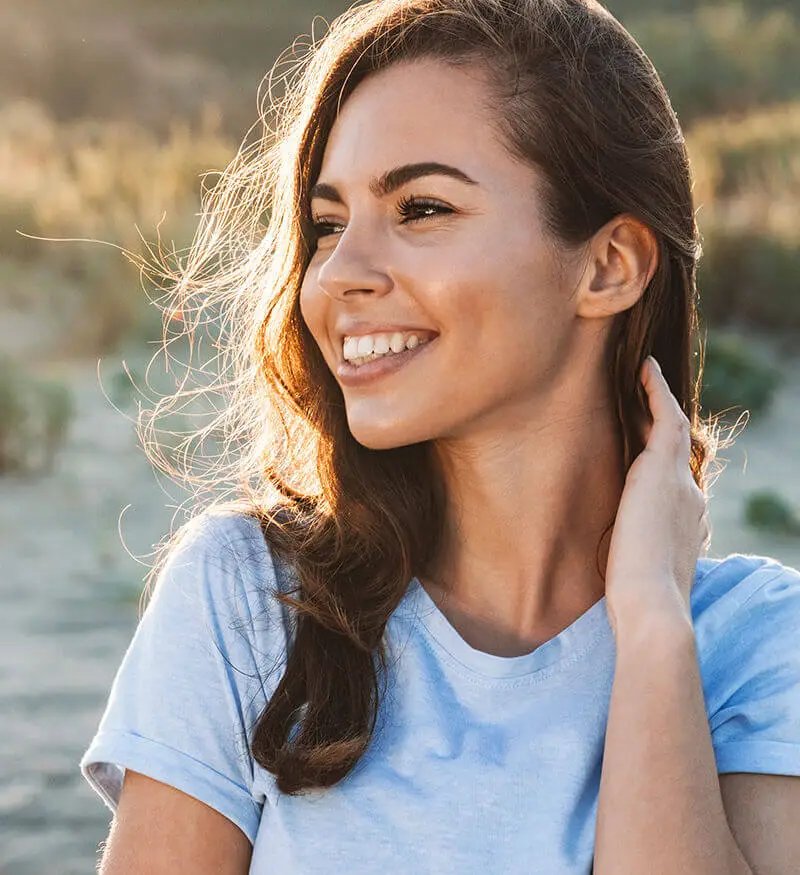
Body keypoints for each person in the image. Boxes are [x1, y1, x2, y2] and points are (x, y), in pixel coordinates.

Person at [80, 1, 800, 872]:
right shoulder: (249, 604)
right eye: (329, 224)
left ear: (609, 266)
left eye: (421, 208)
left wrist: (650, 625)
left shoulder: (758, 644)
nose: (337, 275)